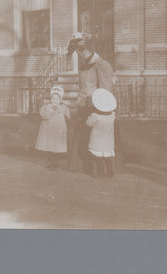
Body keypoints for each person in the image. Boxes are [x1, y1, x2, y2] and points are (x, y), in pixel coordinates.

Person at [66, 33, 114, 175]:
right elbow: (82, 87)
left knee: (96, 140)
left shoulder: (101, 64)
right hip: (83, 106)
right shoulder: (84, 65)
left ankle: (101, 169)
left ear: (87, 50)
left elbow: (106, 89)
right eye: (77, 52)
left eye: (80, 52)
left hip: (96, 107)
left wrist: (99, 108)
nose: (79, 55)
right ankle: (83, 166)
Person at [35, 86, 70, 170]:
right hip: (48, 131)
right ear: (51, 99)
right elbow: (44, 116)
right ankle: (51, 163)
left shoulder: (63, 107)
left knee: (58, 148)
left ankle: (56, 162)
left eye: (57, 99)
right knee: (49, 147)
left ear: (60, 100)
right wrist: (50, 109)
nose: (55, 101)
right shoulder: (46, 107)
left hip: (58, 131)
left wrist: (66, 113)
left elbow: (68, 116)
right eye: (53, 99)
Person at [86, 88, 117, 178]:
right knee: (108, 157)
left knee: (98, 157)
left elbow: (88, 124)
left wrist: (89, 117)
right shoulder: (112, 115)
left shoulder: (95, 116)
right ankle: (111, 171)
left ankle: (101, 173)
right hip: (108, 140)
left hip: (98, 140)